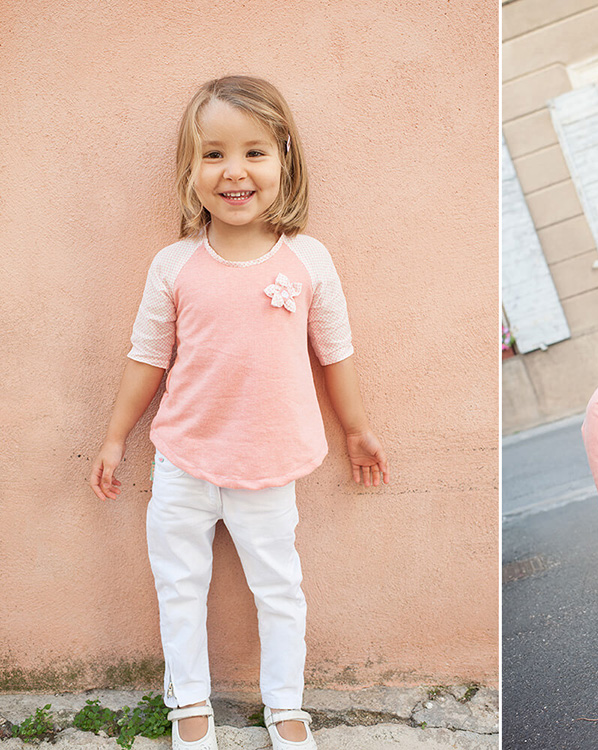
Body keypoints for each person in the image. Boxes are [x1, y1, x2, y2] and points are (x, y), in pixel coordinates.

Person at [88, 76, 389, 750]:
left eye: (254, 152)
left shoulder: (308, 260)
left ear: (284, 158)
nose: (234, 172)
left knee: (280, 589)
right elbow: (147, 357)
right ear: (190, 169)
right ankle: (188, 703)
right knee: (179, 587)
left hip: (268, 466)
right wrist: (114, 439)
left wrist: (358, 430)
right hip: (183, 464)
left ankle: (285, 705)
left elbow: (334, 353)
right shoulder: (173, 265)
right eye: (213, 154)